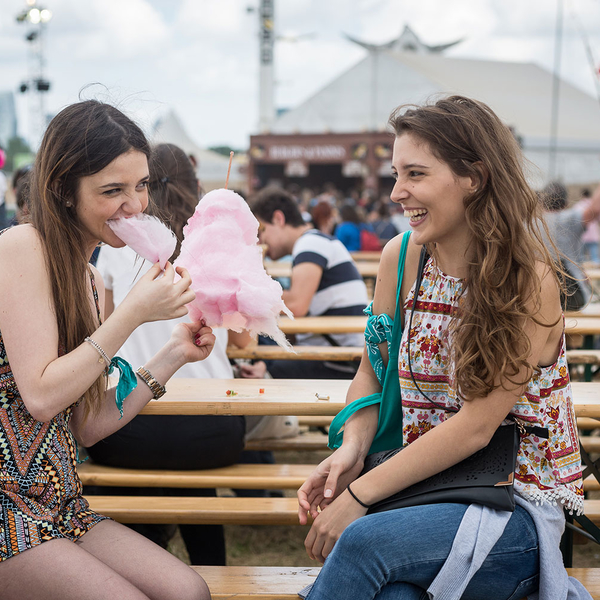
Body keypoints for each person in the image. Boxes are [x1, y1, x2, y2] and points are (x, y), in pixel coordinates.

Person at [297, 96, 589, 599]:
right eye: (394, 174)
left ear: (473, 178)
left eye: (415, 174)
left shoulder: (530, 278)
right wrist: (353, 449)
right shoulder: (402, 257)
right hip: (422, 491)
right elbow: (371, 372)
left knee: (363, 544)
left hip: (514, 506)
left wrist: (361, 496)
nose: (396, 193)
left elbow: (476, 428)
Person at [0, 100, 212, 600]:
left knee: (189, 591)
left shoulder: (91, 280)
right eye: (112, 191)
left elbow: (87, 423)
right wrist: (132, 314)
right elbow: (41, 397)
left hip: (59, 504)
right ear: (62, 191)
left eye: (140, 186)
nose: (135, 206)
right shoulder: (20, 247)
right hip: (7, 508)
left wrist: (173, 354)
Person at [87, 142, 247, 566]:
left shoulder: (116, 252)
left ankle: (148, 563)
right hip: (215, 433)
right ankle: (210, 571)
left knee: (138, 489)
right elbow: (244, 340)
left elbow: (101, 339)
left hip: (126, 428)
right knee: (197, 485)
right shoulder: (221, 247)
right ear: (195, 185)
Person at [246, 187, 369, 380]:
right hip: (339, 353)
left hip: (338, 360)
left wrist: (250, 287)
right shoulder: (316, 241)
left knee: (254, 378)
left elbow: (297, 305)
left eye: (261, 230)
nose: (259, 240)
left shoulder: (310, 242)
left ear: (278, 219)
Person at [541, 181, 600, 311]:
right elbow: (595, 209)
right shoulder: (568, 218)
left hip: (540, 296)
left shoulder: (530, 222)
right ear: (566, 204)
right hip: (572, 295)